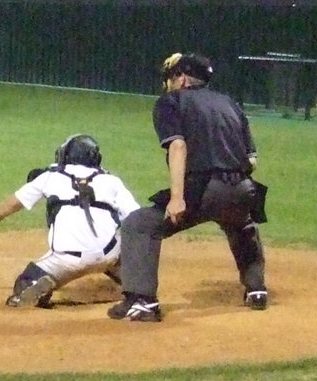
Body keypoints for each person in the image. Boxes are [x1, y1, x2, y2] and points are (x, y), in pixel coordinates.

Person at [109, 52, 268, 323]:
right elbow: (251, 160)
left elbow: (178, 145)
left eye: (171, 77)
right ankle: (256, 290)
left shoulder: (171, 102)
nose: (169, 83)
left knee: (140, 225)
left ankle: (141, 302)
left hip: (204, 188)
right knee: (240, 222)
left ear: (182, 78)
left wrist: (178, 197)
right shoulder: (229, 103)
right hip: (244, 188)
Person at [0, 134, 141, 308]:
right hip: (109, 254)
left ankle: (35, 284)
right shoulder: (112, 181)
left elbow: (10, 205)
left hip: (67, 260)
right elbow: (138, 219)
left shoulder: (50, 177)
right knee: (116, 246)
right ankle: (134, 280)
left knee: (24, 282)